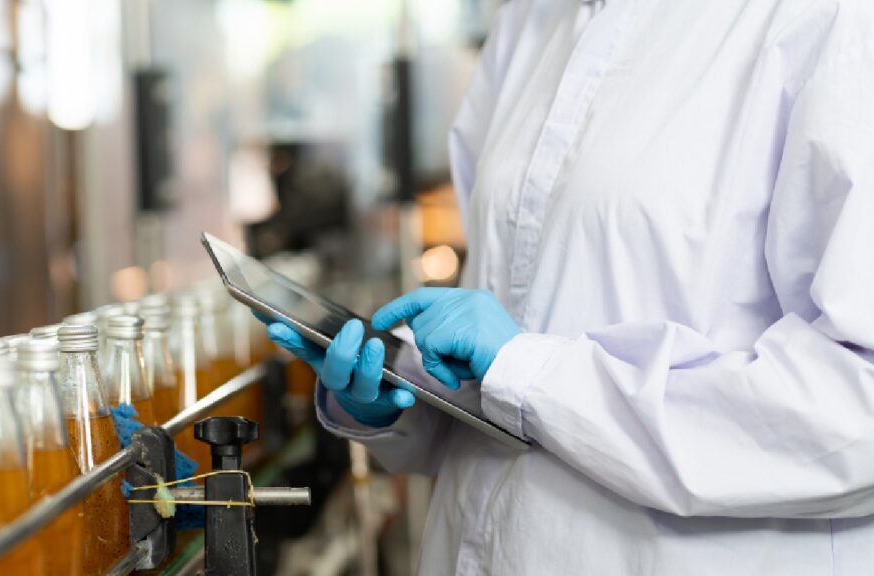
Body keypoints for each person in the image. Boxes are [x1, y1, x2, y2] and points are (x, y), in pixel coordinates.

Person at [261, 0, 874, 573]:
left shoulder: (827, 20)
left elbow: (857, 419)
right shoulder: (527, 23)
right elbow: (500, 355)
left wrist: (530, 373)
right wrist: (401, 395)